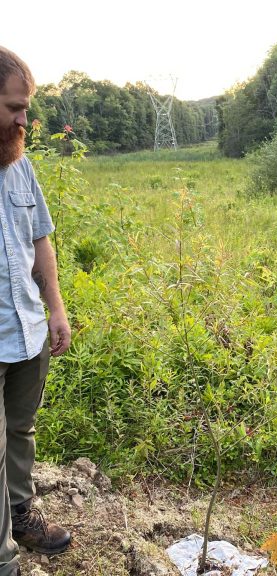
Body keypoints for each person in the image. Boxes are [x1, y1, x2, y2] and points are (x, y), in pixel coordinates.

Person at [0, 46, 72, 576]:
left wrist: (56, 309)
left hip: (25, 331)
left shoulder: (21, 168)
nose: (25, 120)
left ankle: (21, 515)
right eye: (13, 108)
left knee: (20, 432)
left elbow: (40, 241)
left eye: (26, 107)